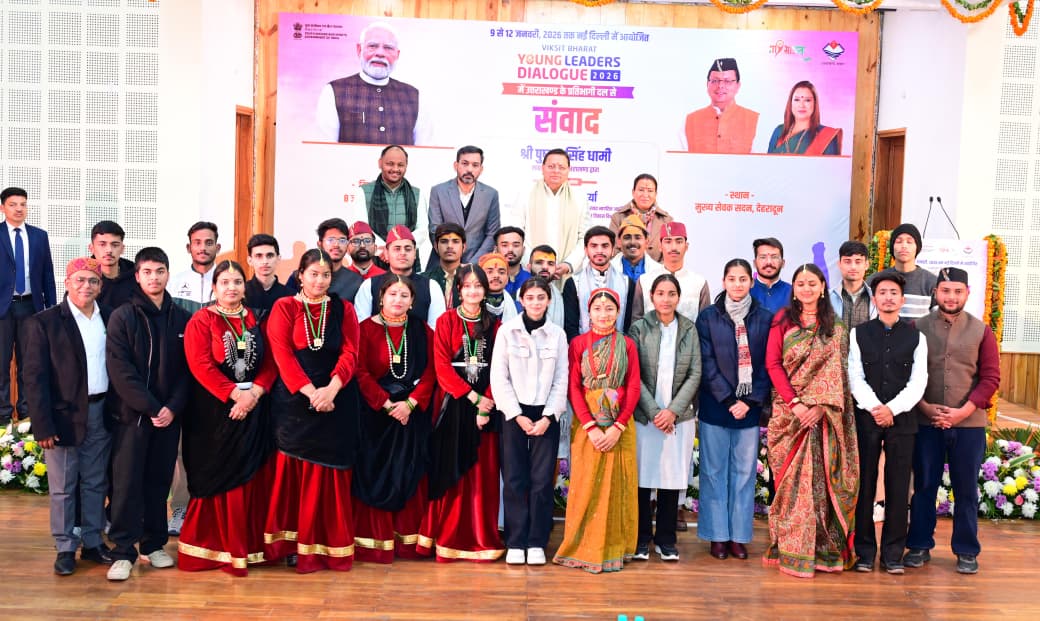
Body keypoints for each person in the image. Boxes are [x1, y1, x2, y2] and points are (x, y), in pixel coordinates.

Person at [264, 248, 362, 573]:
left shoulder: (343, 309)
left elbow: (350, 352)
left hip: (337, 399)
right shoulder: (285, 306)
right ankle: (294, 545)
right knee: (295, 475)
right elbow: (282, 356)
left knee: (331, 475)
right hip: (295, 404)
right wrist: (311, 394)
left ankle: (327, 543)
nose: (319, 281)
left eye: (326, 275)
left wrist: (331, 390)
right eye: (313, 274)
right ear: (300, 276)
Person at [177, 261, 277, 576]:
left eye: (237, 282)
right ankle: (214, 549)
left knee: (251, 475)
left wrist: (254, 395)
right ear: (214, 287)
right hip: (213, 412)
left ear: (244, 287)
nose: (231, 288)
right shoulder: (201, 320)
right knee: (218, 476)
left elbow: (271, 363)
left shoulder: (258, 319)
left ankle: (249, 547)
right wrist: (235, 395)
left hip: (254, 409)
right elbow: (200, 365)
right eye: (225, 282)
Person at [763, 263, 857, 578]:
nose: (806, 289)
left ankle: (822, 550)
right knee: (789, 487)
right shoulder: (782, 321)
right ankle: (790, 548)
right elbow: (773, 364)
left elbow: (839, 372)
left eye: (812, 283)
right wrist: (796, 404)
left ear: (822, 287)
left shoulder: (836, 326)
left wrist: (820, 407)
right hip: (789, 415)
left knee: (822, 487)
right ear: (794, 289)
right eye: (800, 284)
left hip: (824, 419)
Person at [904, 267, 1000, 575]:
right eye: (945, 291)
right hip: (926, 422)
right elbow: (906, 373)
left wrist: (962, 412)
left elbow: (990, 378)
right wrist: (924, 407)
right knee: (924, 485)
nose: (951, 297)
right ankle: (919, 545)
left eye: (958, 291)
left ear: (967, 293)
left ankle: (967, 549)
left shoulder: (982, 331)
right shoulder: (917, 327)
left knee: (966, 489)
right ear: (936, 292)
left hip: (969, 424)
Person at [105, 247, 192, 581]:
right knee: (127, 485)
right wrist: (153, 408)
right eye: (147, 272)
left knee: (159, 483)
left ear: (168, 273)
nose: (154, 278)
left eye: (159, 271)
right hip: (132, 417)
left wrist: (172, 408)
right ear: (137, 276)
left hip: (169, 417)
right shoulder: (123, 316)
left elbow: (187, 371)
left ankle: (153, 545)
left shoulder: (181, 317)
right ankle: (123, 551)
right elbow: (120, 371)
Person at [24, 257, 113, 576]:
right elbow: (34, 378)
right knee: (62, 486)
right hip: (62, 418)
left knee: (95, 481)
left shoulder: (110, 318)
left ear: (100, 286)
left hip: (101, 411)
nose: (86, 286)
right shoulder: (44, 322)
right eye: (80, 280)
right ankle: (64, 546)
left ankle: (92, 541)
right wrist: (42, 426)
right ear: (67, 283)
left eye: (93, 281)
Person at [418, 265, 505, 562]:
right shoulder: (446, 321)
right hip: (453, 403)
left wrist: (485, 403)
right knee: (450, 471)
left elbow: (500, 368)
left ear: (485, 290)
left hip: (486, 408)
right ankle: (447, 537)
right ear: (458, 290)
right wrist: (472, 397)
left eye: (478, 286)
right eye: (467, 286)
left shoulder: (495, 325)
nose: (473, 291)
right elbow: (441, 367)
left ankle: (480, 536)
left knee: (482, 474)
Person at [553, 288, 640, 573]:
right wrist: (590, 426)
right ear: (588, 312)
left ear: (618, 312)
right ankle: (582, 547)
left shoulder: (627, 345)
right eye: (598, 308)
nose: (604, 314)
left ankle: (616, 548)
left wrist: (618, 426)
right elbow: (573, 387)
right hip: (586, 425)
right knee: (586, 485)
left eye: (609, 309)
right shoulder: (577, 344)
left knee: (618, 486)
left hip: (620, 427)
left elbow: (634, 386)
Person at [847, 272, 928, 575]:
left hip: (902, 419)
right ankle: (864, 552)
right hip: (867, 418)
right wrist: (875, 408)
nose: (888, 297)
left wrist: (891, 409)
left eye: (894, 293)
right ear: (875, 298)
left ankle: (893, 554)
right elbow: (854, 375)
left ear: (902, 300)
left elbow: (918, 382)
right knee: (865, 485)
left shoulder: (917, 337)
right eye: (883, 292)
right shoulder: (858, 334)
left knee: (897, 486)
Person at [352, 276, 436, 563]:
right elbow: (359, 371)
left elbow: (432, 370)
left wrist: (410, 404)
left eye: (404, 295)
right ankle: (374, 543)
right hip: (376, 416)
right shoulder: (364, 329)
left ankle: (408, 542)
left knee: (411, 473)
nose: (398, 300)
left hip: (411, 416)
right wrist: (386, 404)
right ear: (381, 297)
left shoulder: (422, 330)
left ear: (412, 301)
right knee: (374, 474)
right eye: (392, 294)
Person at [695, 258, 773, 561]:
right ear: (724, 282)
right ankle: (717, 535)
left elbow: (768, 364)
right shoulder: (708, 317)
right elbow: (706, 362)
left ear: (751, 282)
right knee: (713, 472)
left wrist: (748, 402)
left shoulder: (765, 318)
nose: (737, 284)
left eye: (743, 279)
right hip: (716, 406)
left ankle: (738, 536)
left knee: (743, 474)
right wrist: (728, 400)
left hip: (749, 408)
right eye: (732, 279)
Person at [490, 277, 569, 566]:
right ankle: (515, 541)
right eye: (530, 297)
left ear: (549, 301)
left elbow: (561, 379)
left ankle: (536, 541)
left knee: (541, 481)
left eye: (541, 297)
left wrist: (549, 416)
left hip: (546, 414)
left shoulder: (557, 335)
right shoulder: (507, 331)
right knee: (513, 479)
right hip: (513, 413)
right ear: (521, 300)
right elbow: (499, 377)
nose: (536, 303)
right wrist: (516, 414)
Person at [628, 274, 701, 562]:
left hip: (678, 419)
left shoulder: (689, 329)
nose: (666, 299)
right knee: (642, 479)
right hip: (645, 418)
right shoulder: (639, 328)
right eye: (660, 293)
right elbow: (633, 374)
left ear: (678, 297)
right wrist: (655, 412)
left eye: (671, 294)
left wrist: (672, 411)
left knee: (671, 479)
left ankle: (666, 539)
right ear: (652, 297)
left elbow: (695, 372)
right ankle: (641, 538)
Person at [316, 21, 428, 145]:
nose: (380, 53)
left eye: (388, 48)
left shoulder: (414, 96)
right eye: (373, 46)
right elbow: (324, 149)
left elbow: (425, 149)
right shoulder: (333, 91)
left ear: (397, 55)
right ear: (359, 50)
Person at [1, 186, 56, 425]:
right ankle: (3, 416)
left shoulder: (39, 236)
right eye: (13, 204)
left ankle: (27, 414)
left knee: (30, 364)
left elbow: (47, 274)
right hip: (3, 308)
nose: (19, 209)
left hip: (31, 307)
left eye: (23, 204)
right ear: (2, 208)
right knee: (1, 364)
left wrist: (51, 308)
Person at [507, 149, 589, 276]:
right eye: (551, 166)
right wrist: (534, 264)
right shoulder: (526, 194)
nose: (556, 170)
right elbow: (516, 235)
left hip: (567, 273)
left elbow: (585, 237)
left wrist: (569, 264)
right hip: (530, 271)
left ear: (568, 170)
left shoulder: (579, 199)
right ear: (542, 168)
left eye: (561, 167)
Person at [349, 145, 431, 269]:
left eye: (400, 165)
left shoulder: (417, 194)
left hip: (407, 261)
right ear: (380, 163)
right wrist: (384, 250)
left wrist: (400, 249)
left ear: (406, 166)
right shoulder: (363, 192)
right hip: (374, 260)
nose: (395, 169)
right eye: (390, 164)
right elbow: (362, 228)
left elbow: (422, 229)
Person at [355, 225, 446, 328]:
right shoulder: (370, 285)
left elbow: (436, 329)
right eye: (397, 249)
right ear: (386, 253)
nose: (403, 253)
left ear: (414, 254)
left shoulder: (431, 287)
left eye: (408, 249)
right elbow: (361, 327)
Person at [427, 145, 501, 265]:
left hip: (476, 263)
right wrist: (452, 260)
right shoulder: (438, 191)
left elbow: (492, 233)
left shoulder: (490, 194)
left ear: (481, 169)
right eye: (465, 164)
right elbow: (434, 230)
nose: (469, 169)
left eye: (475, 165)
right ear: (456, 165)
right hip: (442, 262)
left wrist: (473, 263)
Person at [632, 222, 710, 323]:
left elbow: (705, 325)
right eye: (668, 242)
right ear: (660, 246)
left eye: (679, 241)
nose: (673, 247)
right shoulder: (644, 281)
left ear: (686, 246)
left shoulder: (699, 283)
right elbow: (636, 323)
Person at [561, 227, 635, 335]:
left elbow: (629, 322)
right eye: (594, 246)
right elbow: (570, 326)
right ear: (586, 250)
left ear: (613, 250)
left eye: (605, 246)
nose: (599, 251)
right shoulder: (574, 283)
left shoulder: (627, 283)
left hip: (618, 343)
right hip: (583, 344)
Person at [680, 58, 759, 154]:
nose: (720, 85)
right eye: (715, 81)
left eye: (727, 81)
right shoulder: (690, 121)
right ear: (707, 84)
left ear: (738, 86)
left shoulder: (755, 120)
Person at [870, 223, 937, 319]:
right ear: (892, 247)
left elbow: (939, 321)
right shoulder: (875, 280)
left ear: (917, 247)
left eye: (909, 242)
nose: (904, 246)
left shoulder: (931, 282)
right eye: (899, 241)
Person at [291, 218, 365, 303]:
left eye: (342, 240)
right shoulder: (299, 276)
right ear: (319, 244)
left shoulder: (356, 281)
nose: (336, 245)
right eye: (330, 240)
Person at [608, 174, 674, 262]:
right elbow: (613, 250)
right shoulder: (618, 218)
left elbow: (669, 253)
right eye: (641, 190)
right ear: (633, 192)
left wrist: (657, 270)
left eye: (650, 191)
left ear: (655, 194)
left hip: (658, 270)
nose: (645, 195)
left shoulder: (666, 220)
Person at [767, 81, 842, 155]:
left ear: (814, 104)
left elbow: (830, 163)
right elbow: (767, 161)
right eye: (797, 100)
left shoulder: (826, 135)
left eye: (807, 100)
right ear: (790, 103)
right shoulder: (779, 131)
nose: (801, 105)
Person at [170, 221, 220, 313]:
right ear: (188, 248)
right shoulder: (173, 284)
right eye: (197, 243)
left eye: (209, 243)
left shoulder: (228, 283)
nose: (203, 248)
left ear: (217, 248)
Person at [829, 240, 876, 331]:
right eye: (847, 261)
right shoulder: (827, 298)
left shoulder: (876, 298)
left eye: (858, 262)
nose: (853, 267)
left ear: (866, 265)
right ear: (839, 264)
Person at [90, 220, 136, 309]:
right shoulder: (82, 276)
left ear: (122, 248)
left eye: (115, 245)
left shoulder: (137, 276)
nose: (109, 250)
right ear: (91, 248)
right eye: (102, 244)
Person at [244, 234, 291, 316]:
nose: (265, 261)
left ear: (278, 258)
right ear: (250, 260)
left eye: (270, 255)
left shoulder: (290, 296)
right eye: (259, 256)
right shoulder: (241, 293)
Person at [610, 214, 665, 284]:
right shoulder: (608, 270)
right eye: (627, 237)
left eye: (638, 237)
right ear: (619, 242)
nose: (633, 242)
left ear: (647, 242)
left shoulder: (659, 271)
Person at [423, 223, 466, 309]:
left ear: (464, 247)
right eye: (444, 241)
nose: (449, 246)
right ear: (436, 247)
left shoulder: (471, 278)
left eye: (455, 241)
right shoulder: (425, 280)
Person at [750, 237, 791, 315]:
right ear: (754, 263)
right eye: (763, 257)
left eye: (774, 257)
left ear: (783, 263)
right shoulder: (745, 292)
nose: (769, 262)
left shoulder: (793, 292)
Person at [478, 252, 519, 322]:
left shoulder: (518, 308)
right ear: (479, 277)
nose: (496, 275)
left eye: (501, 272)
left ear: (507, 278)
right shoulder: (470, 306)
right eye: (490, 272)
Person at [495, 226, 531, 303]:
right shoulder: (489, 280)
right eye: (505, 245)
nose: (510, 249)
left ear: (523, 250)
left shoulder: (531, 280)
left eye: (516, 245)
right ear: (496, 249)